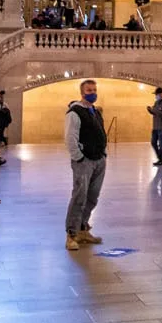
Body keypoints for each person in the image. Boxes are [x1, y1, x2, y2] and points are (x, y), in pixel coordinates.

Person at [64, 79, 108, 251]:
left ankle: (83, 229)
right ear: (82, 92)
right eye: (89, 90)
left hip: (99, 160)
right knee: (79, 197)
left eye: (94, 90)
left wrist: (104, 154)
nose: (92, 93)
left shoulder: (95, 111)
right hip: (84, 161)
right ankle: (71, 234)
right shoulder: (75, 112)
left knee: (92, 197)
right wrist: (79, 158)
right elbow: (70, 138)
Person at [147, 87, 162, 166]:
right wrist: (150, 110)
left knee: (161, 143)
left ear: (161, 94)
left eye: (156, 94)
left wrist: (154, 110)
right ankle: (160, 157)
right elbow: (155, 112)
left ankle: (161, 160)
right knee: (153, 142)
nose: (155, 96)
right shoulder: (156, 102)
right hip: (155, 127)